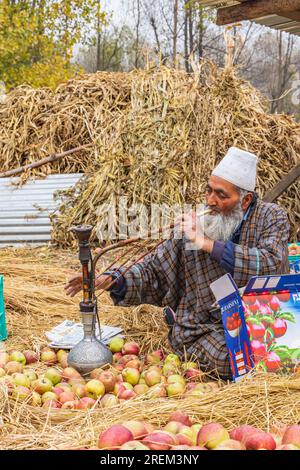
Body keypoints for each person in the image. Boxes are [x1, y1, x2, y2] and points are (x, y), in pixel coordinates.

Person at [65, 147, 290, 379]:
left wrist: (207, 244)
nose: (210, 201)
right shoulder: (194, 225)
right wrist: (109, 280)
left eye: (222, 195)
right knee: (235, 360)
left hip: (260, 320)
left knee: (275, 352)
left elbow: (270, 263)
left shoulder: (271, 217)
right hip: (206, 328)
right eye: (208, 191)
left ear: (245, 201)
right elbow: (153, 269)